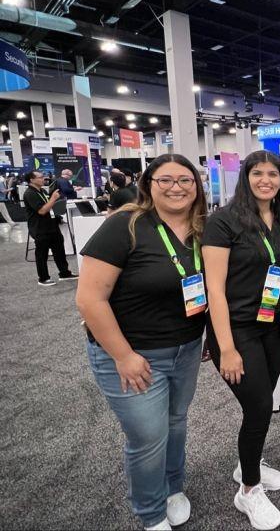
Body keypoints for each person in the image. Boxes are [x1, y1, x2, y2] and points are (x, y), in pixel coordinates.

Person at [75, 154, 207, 531]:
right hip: (132, 354)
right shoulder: (126, 225)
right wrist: (123, 356)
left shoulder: (201, 228)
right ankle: (150, 513)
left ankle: (172, 487)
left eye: (185, 180)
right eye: (165, 180)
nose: (176, 187)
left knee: (176, 423)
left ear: (196, 187)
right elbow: (89, 299)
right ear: (148, 184)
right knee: (148, 436)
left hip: (185, 349)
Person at [202, 151, 280, 530]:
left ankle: (248, 462)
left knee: (263, 404)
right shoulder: (223, 222)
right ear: (246, 176)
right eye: (258, 173)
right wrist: (225, 347)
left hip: (274, 327)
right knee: (258, 407)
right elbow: (215, 290)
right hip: (238, 330)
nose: (266, 180)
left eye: (273, 174)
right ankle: (249, 490)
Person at [23, 170, 77, 286]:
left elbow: (49, 207)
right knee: (42, 254)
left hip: (51, 225)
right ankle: (43, 278)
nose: (44, 179)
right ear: (32, 180)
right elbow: (42, 211)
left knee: (59, 250)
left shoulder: (42, 191)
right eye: (40, 177)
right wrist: (53, 199)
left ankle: (64, 273)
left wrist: (57, 215)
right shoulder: (30, 193)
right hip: (40, 228)